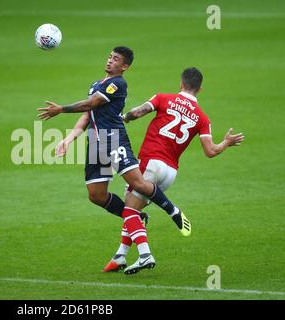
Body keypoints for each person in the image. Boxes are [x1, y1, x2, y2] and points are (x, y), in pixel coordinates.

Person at [37, 46, 189, 274]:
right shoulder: (96, 83)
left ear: (124, 66)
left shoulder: (118, 84)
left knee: (137, 184)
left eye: (116, 59)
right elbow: (87, 115)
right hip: (95, 143)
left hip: (114, 139)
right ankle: (138, 217)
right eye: (109, 56)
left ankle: (172, 210)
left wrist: (61, 109)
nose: (110, 61)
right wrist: (68, 139)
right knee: (96, 195)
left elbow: (91, 104)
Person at [102, 67, 245, 271]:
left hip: (151, 162)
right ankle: (121, 256)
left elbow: (137, 112)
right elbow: (211, 151)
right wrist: (226, 143)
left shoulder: (164, 98)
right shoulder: (202, 118)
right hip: (170, 172)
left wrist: (123, 118)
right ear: (199, 89)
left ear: (181, 83)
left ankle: (145, 255)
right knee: (134, 209)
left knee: (129, 210)